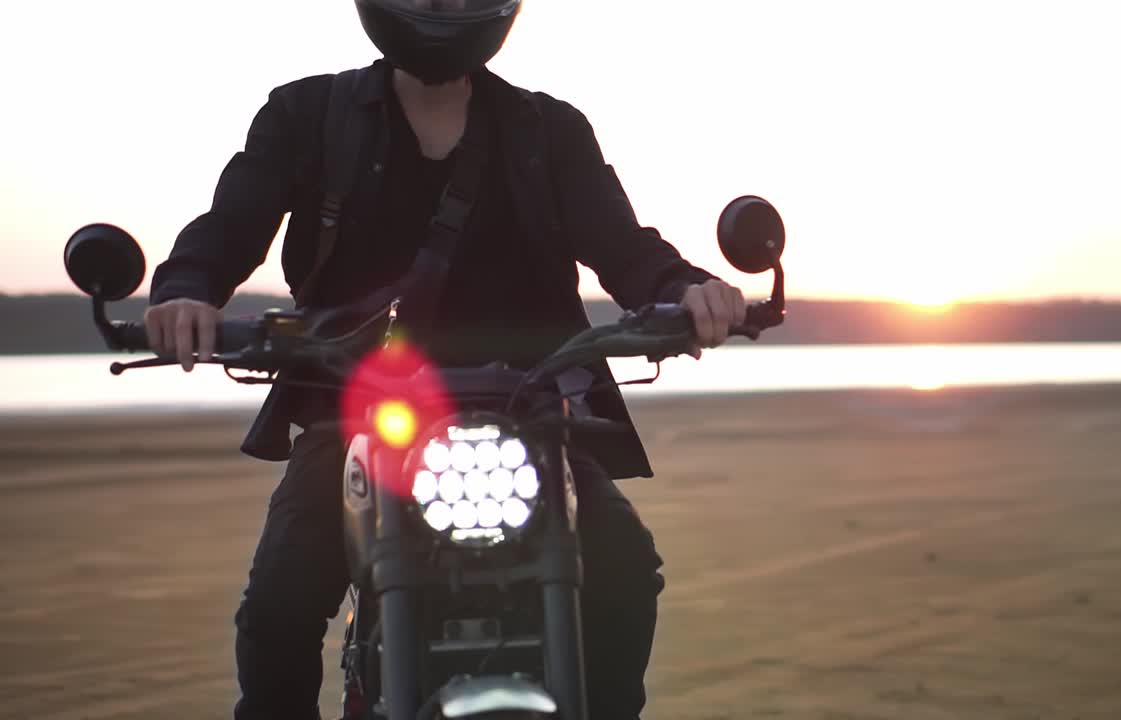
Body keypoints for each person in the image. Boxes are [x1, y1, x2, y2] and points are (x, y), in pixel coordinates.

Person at [143, 1, 745, 719]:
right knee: (279, 602)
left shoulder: (547, 131)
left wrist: (688, 292)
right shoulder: (308, 115)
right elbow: (229, 228)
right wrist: (185, 294)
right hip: (358, 411)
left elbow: (624, 247)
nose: (444, 7)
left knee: (621, 571)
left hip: (527, 413)